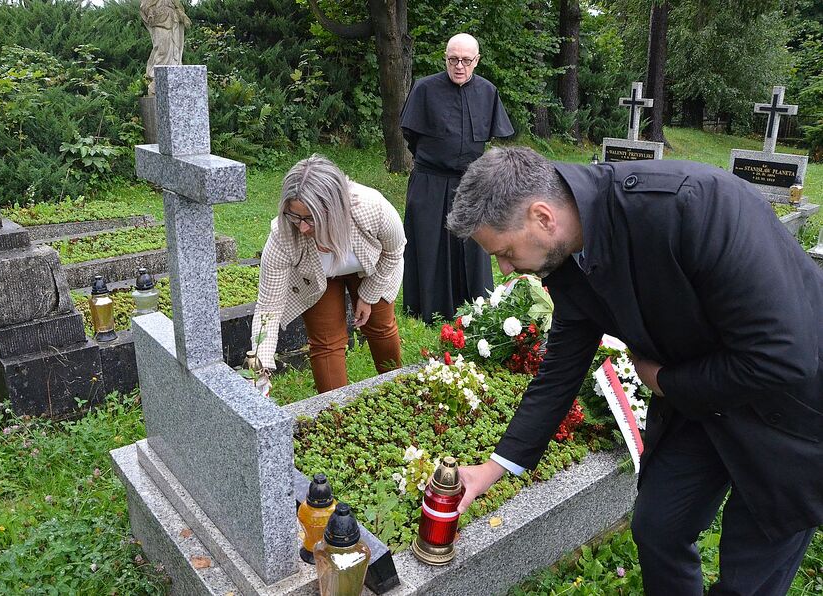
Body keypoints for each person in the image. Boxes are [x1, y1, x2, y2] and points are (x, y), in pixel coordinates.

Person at [446, 146, 823, 595]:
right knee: (658, 528)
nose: (505, 270)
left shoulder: (693, 205)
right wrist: (492, 469)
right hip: (702, 405)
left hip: (789, 411)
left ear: (543, 216)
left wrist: (664, 381)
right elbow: (559, 371)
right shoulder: (567, 257)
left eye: (505, 252)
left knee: (748, 580)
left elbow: (784, 355)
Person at [250, 154, 405, 394]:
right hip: (316, 278)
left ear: (334, 209)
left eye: (310, 218)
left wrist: (368, 296)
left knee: (379, 326)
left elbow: (394, 251)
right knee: (326, 343)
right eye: (295, 216)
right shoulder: (283, 236)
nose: (302, 227)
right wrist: (261, 368)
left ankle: (396, 389)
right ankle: (334, 412)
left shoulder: (372, 209)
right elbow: (268, 306)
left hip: (371, 269)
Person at [399, 33, 514, 325]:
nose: (459, 66)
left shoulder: (488, 92)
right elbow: (410, 135)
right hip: (431, 181)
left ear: (476, 61)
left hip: (471, 182)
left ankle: (475, 305)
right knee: (429, 245)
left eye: (465, 60)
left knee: (473, 246)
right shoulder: (424, 89)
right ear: (446, 59)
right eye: (453, 59)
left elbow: (491, 136)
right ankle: (427, 309)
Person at [140, 0, 191, 95]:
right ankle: (157, 78)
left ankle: (173, 77)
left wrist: (182, 16)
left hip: (172, 22)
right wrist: (150, 12)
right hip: (159, 22)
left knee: (174, 50)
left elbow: (177, 6)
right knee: (161, 50)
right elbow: (145, 5)